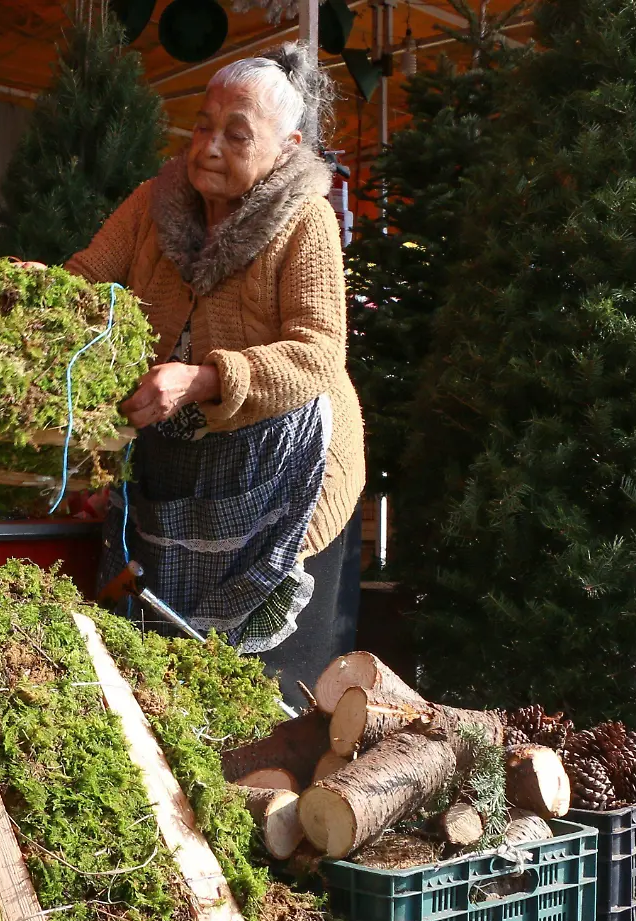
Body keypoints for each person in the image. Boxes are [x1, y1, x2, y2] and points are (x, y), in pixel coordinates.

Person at [66, 41, 364, 703]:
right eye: (203, 125)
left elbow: (318, 354)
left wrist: (201, 379)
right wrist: (39, 293)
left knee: (265, 696)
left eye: (237, 134)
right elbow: (86, 279)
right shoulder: (153, 204)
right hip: (178, 471)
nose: (209, 147)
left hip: (286, 475)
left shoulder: (304, 221)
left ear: (285, 148)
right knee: (163, 673)